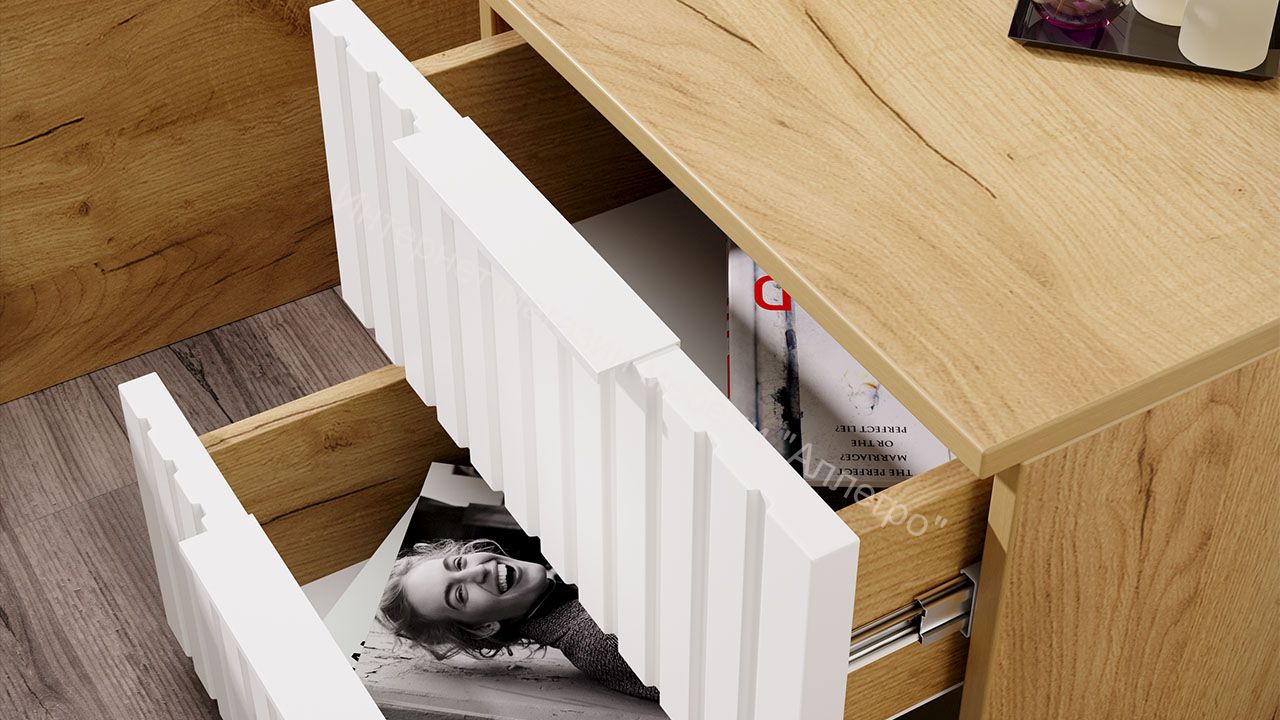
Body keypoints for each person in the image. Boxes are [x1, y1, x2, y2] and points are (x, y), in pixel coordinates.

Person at [378, 538, 658, 702]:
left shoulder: (574, 568)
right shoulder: (598, 642)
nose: (477, 572)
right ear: (484, 627)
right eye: (460, 594)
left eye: (459, 564)